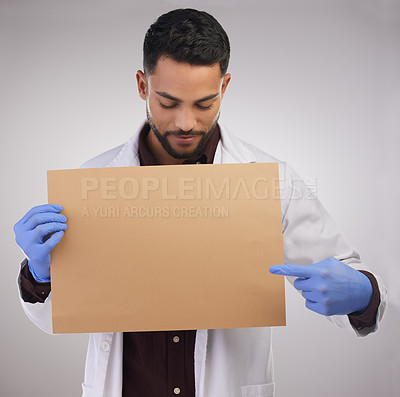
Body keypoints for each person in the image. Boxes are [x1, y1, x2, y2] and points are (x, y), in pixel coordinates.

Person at [14, 8, 387, 397]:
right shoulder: (92, 180)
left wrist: (362, 294)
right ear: (143, 85)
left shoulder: (270, 180)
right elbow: (54, 319)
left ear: (225, 86)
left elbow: (354, 286)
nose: (186, 123)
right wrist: (40, 276)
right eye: (169, 103)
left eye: (204, 103)